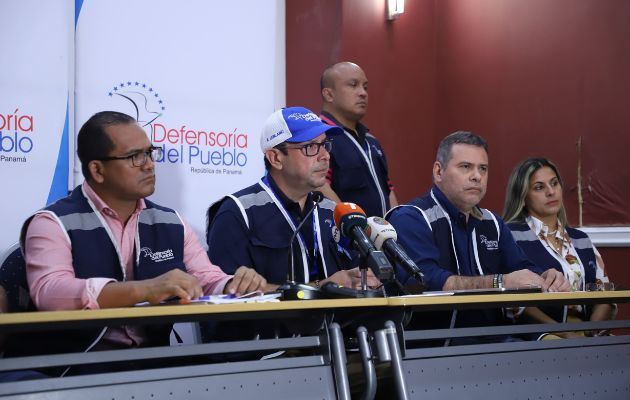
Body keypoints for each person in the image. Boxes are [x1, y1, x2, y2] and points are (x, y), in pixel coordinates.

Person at [19, 111, 267, 366]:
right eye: (134, 157)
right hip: (70, 368)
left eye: (149, 153)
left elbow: (205, 278)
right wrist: (145, 289)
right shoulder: (52, 222)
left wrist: (233, 285)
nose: (149, 164)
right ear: (97, 169)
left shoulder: (172, 222)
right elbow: (50, 293)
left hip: (152, 362)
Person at [386, 131, 569, 333]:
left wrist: (545, 277)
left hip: (497, 342)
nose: (477, 176)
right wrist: (500, 282)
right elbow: (424, 282)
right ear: (439, 172)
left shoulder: (493, 223)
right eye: (466, 167)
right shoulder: (411, 217)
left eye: (483, 169)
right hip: (436, 348)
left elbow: (522, 268)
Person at [207, 106, 379, 290]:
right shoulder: (238, 213)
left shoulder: (333, 212)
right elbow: (227, 297)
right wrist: (321, 289)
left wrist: (364, 280)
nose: (325, 156)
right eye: (311, 147)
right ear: (276, 158)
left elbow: (355, 275)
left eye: (325, 144)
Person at [504, 157, 616, 338]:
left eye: (554, 184)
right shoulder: (511, 236)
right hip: (540, 333)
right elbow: (516, 304)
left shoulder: (581, 240)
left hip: (585, 332)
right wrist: (566, 333)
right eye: (539, 187)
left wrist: (592, 331)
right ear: (523, 196)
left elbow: (603, 294)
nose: (550, 192)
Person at [319, 61, 398, 218]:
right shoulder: (318, 137)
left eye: (365, 87)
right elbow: (319, 186)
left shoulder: (371, 141)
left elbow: (388, 190)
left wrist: (395, 227)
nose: (363, 93)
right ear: (329, 94)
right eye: (353, 85)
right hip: (346, 236)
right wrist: (355, 229)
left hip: (380, 238)